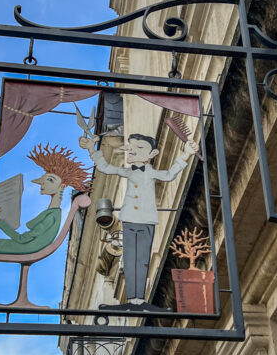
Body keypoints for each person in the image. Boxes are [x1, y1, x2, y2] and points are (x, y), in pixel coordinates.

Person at [79, 131, 199, 310]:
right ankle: (132, 300)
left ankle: (140, 301)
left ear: (153, 154)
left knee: (142, 259)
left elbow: (169, 175)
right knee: (130, 259)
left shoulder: (150, 173)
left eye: (140, 147)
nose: (133, 150)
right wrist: (91, 149)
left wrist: (186, 154)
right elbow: (105, 167)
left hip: (146, 220)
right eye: (132, 146)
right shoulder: (127, 171)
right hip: (129, 219)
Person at [0, 144, 91, 255]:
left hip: (23, 247)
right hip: (23, 246)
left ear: (62, 186)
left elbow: (22, 239)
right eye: (43, 180)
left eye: (50, 180)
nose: (42, 183)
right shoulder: (52, 214)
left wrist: (1, 223)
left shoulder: (51, 217)